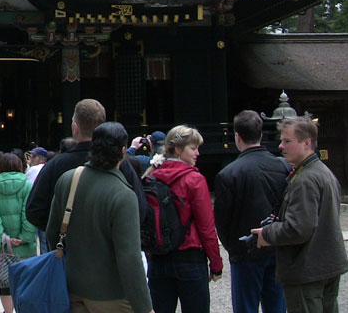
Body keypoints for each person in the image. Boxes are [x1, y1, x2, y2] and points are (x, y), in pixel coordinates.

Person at [46, 123, 153, 313]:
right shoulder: (123, 195)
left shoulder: (68, 180)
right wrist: (144, 307)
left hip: (72, 287)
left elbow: (52, 233)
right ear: (123, 151)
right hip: (111, 293)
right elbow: (130, 258)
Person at [253, 117, 348, 313]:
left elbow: (298, 229)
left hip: (307, 268)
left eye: (287, 141)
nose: (281, 146)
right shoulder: (323, 172)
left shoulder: (306, 179)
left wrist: (268, 233)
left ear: (307, 143)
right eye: (281, 140)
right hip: (326, 263)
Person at [27, 99, 147, 238]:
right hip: (111, 244)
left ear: (75, 127)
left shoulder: (55, 165)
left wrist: (60, 231)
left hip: (68, 245)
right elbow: (140, 209)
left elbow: (34, 211)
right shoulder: (119, 163)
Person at [214, 110, 291, 313]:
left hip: (244, 250)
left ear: (237, 136)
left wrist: (233, 248)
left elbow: (222, 221)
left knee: (246, 307)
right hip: (277, 245)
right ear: (261, 135)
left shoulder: (228, 174)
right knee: (277, 306)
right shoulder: (283, 166)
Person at [146, 125, 223, 313]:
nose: (197, 153)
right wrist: (216, 264)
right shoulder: (194, 180)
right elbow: (206, 227)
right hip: (190, 258)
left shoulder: (151, 176)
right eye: (193, 148)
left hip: (158, 258)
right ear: (178, 149)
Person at [0, 153, 37, 313]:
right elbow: (28, 214)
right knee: (24, 280)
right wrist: (25, 237)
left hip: (2, 245)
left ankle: (7, 311)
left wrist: (1, 238)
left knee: (4, 280)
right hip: (23, 245)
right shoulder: (27, 185)